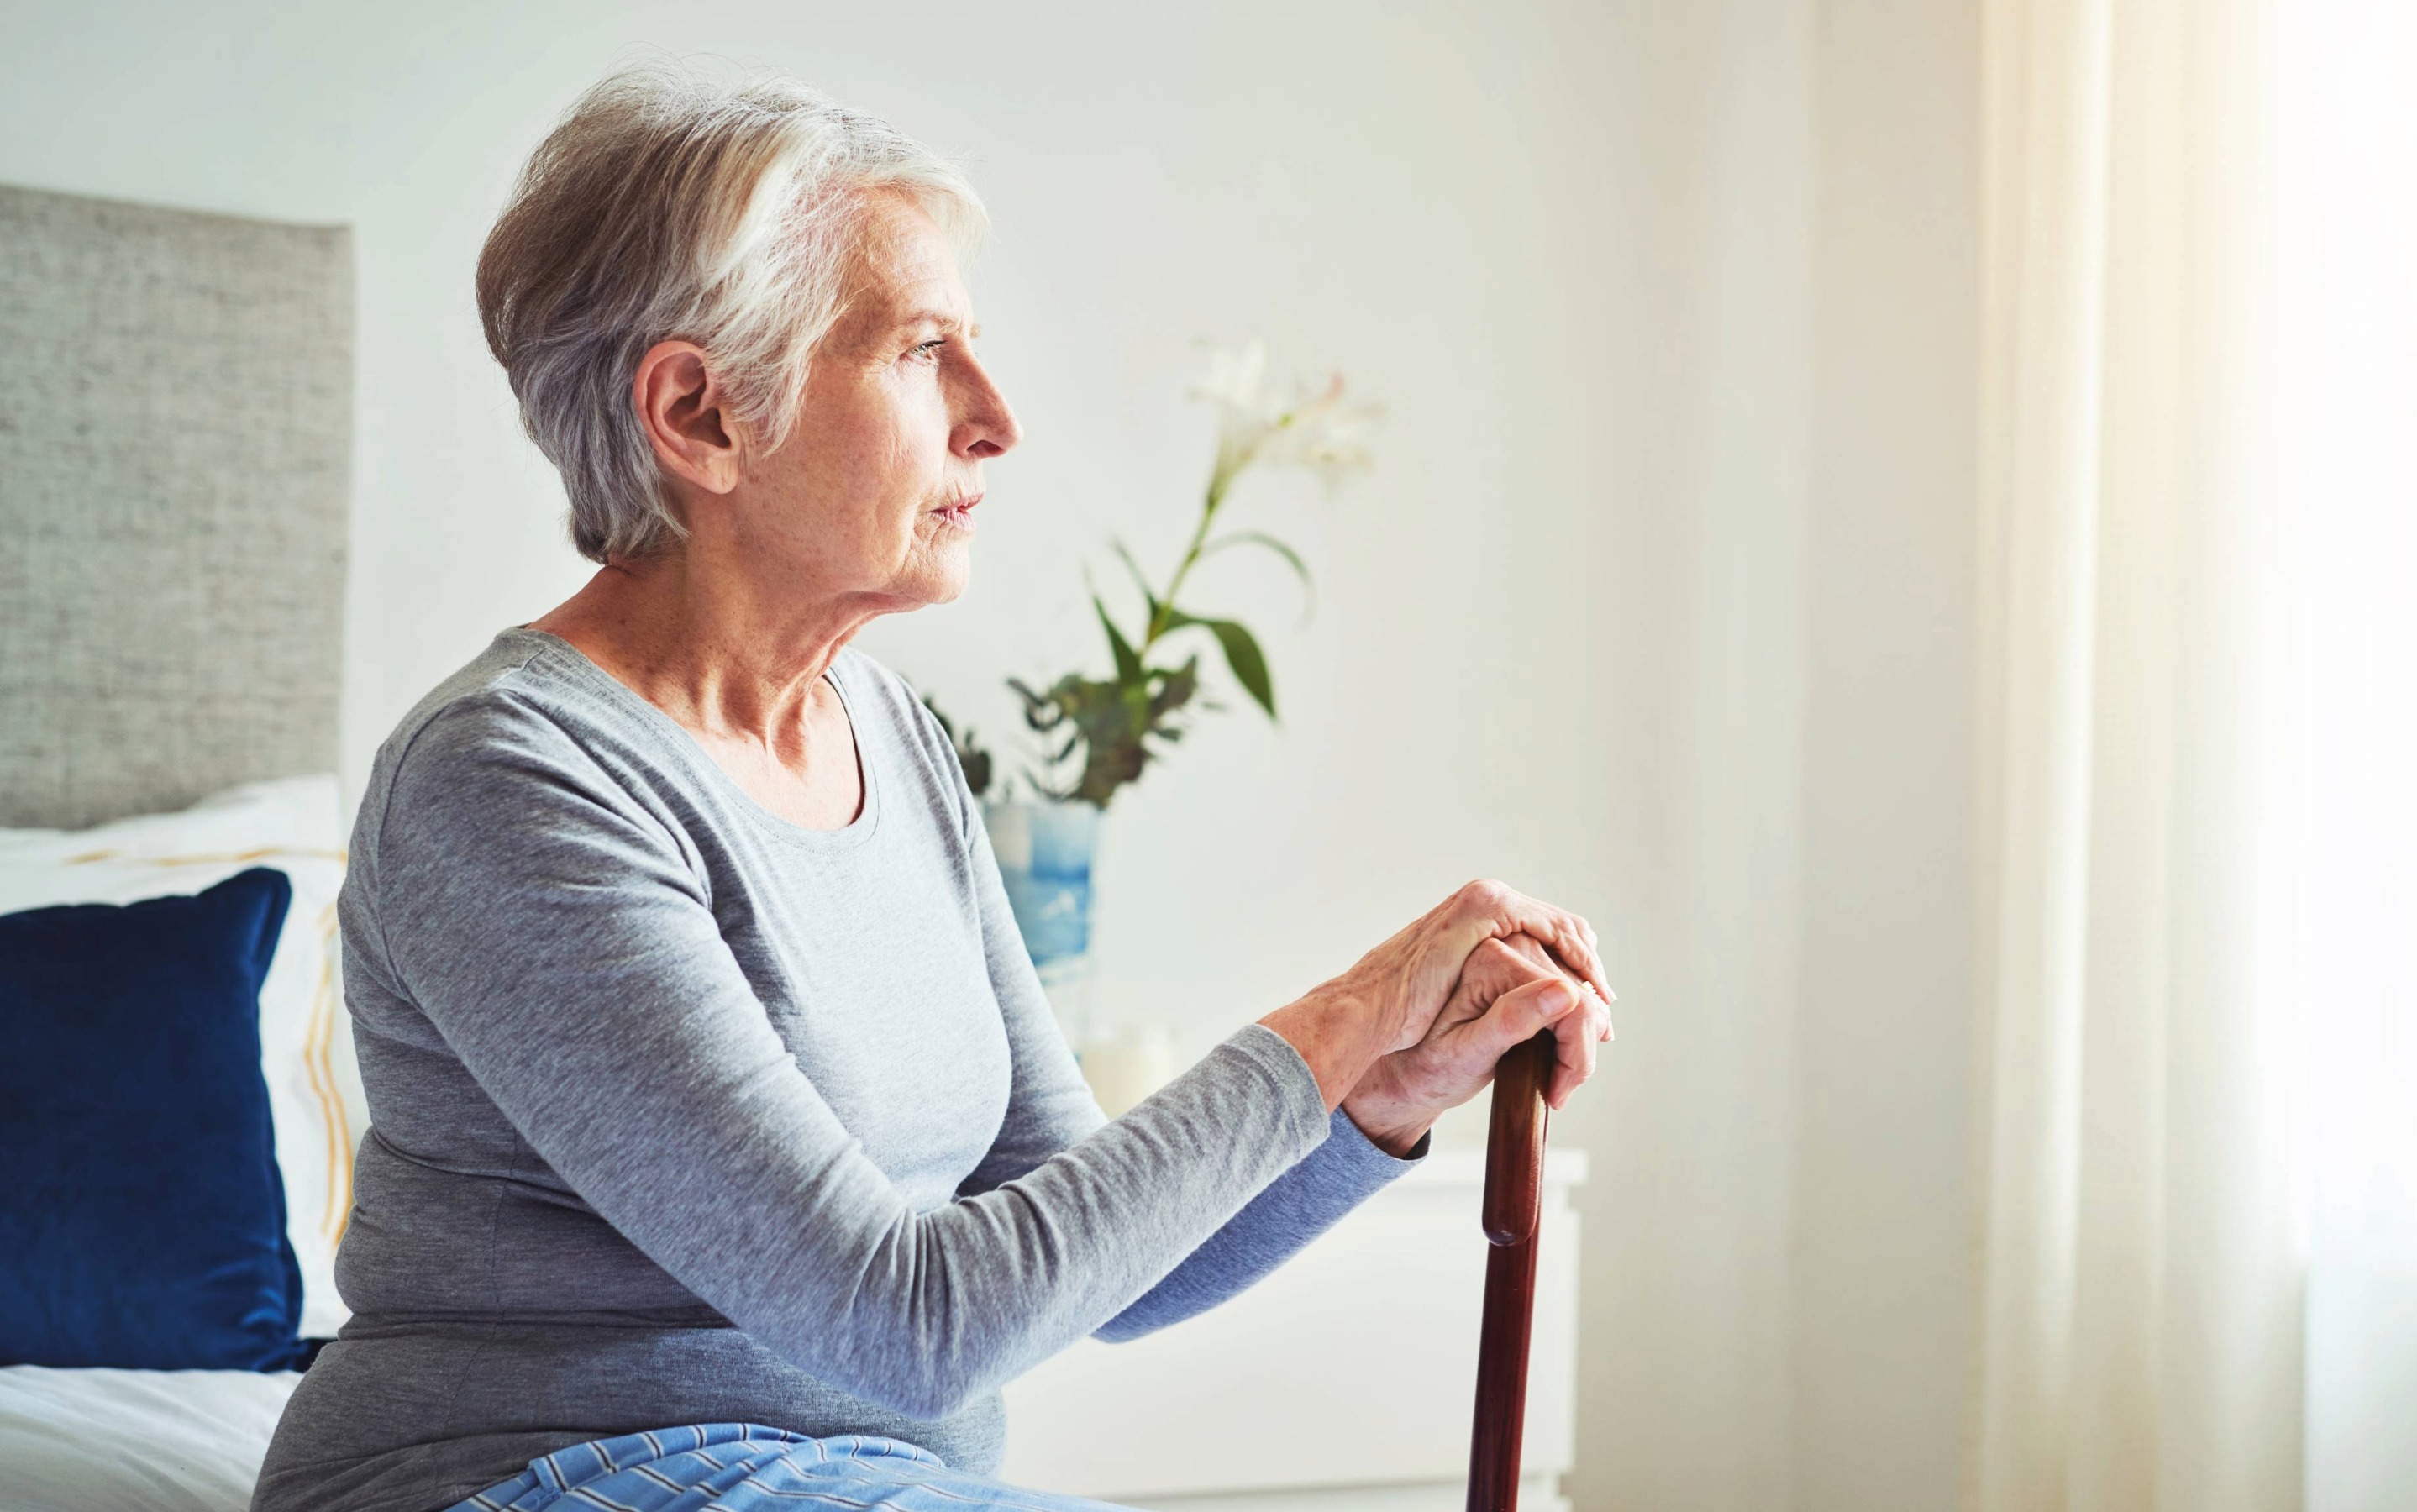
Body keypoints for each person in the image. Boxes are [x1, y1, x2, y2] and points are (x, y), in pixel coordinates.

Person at [252, 66, 1613, 1512]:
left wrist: (1380, 1094)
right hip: (545, 1475)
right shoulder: (512, 783)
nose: (996, 418)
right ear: (700, 413)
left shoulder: (888, 735)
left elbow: (1103, 1277)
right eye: (918, 351)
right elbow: (911, 1321)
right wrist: (1338, 1018)